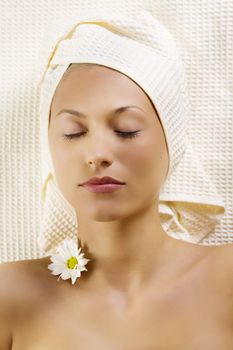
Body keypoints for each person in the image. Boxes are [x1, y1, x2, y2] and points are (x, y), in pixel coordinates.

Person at [0, 11, 233, 349]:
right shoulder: (10, 295)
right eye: (73, 132)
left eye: (126, 129)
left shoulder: (226, 279)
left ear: (171, 141)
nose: (97, 153)